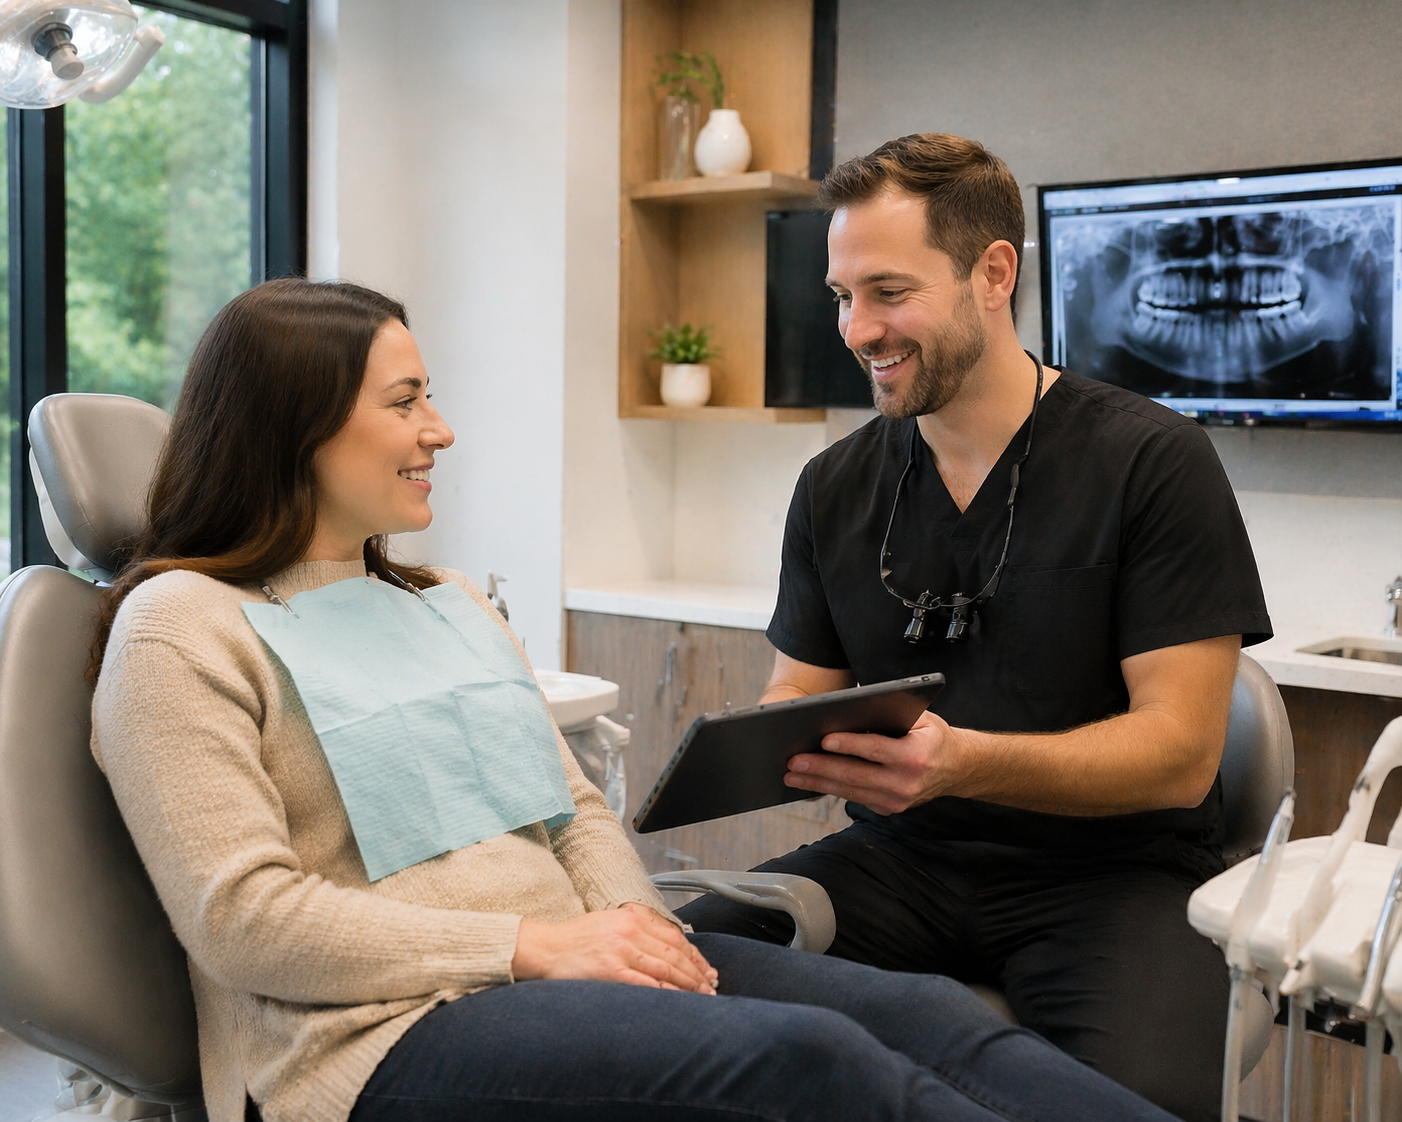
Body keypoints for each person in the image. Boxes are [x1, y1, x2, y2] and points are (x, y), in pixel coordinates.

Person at [89, 278, 1179, 1122]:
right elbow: (244, 923)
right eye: (407, 401)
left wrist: (634, 931)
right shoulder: (182, 626)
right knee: (810, 1062)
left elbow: (573, 813)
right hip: (377, 1034)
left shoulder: (446, 602)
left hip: (566, 968)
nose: (442, 430)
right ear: (297, 430)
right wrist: (532, 949)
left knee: (926, 1014)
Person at [677, 134, 1273, 1122]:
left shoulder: (1151, 462)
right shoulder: (833, 487)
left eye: (888, 292)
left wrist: (963, 762)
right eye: (840, 296)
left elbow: (1177, 756)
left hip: (1112, 877)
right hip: (901, 863)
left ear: (992, 274)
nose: (857, 328)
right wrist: (767, 739)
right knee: (670, 972)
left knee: (1130, 1108)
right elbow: (798, 693)